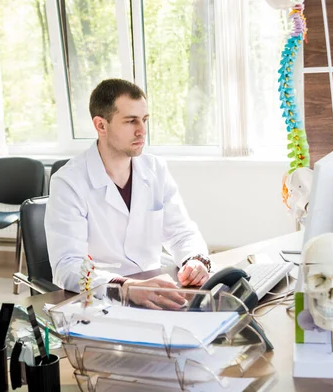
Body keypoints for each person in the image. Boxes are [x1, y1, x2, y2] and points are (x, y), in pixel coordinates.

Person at [45, 79, 211, 308]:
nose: (142, 131)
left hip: (155, 287)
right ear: (101, 126)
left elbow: (182, 233)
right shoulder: (68, 182)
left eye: (144, 120)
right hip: (103, 298)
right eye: (131, 121)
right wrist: (124, 286)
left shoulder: (155, 169)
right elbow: (67, 266)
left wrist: (195, 260)